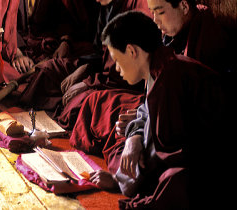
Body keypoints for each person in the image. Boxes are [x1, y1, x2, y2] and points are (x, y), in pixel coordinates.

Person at [71, 0, 233, 170]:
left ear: (184, 6)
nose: (155, 21)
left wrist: (142, 126)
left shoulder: (208, 39)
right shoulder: (172, 33)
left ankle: (124, 172)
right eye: (153, 12)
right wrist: (142, 117)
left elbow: (190, 112)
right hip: (156, 108)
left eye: (160, 12)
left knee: (122, 126)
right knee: (98, 103)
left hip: (185, 130)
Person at [89, 11, 227, 209]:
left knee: (172, 183)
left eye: (117, 61)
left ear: (132, 51)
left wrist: (118, 180)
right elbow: (146, 112)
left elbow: (163, 150)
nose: (117, 70)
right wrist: (134, 137)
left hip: (209, 157)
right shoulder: (160, 63)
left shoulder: (167, 78)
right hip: (189, 148)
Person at [19, 0, 150, 129]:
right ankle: (43, 116)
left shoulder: (139, 6)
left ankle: (56, 119)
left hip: (123, 84)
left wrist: (89, 83)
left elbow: (126, 74)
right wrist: (84, 69)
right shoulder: (109, 0)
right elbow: (99, 52)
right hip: (103, 74)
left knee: (82, 104)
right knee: (48, 71)